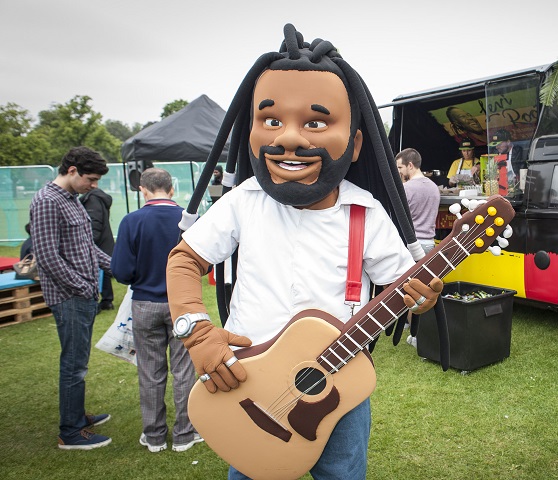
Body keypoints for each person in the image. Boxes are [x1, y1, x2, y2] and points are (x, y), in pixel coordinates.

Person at [166, 24, 443, 480]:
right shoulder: (244, 199)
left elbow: (405, 285)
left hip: (338, 382)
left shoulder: (364, 211)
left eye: (315, 123)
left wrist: (424, 295)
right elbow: (184, 259)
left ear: (354, 144)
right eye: (272, 121)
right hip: (248, 380)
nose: (291, 139)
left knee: (342, 472)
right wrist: (197, 332)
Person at [111, 168, 204, 454]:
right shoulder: (189, 220)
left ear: (143, 190)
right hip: (183, 304)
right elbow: (206, 263)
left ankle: (154, 436)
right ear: (171, 189)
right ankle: (185, 433)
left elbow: (121, 271)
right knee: (184, 370)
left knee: (150, 372)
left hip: (145, 304)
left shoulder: (131, 221)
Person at [29, 146, 112, 450]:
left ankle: (77, 416)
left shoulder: (72, 199)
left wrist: (115, 267)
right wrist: (83, 287)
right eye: (91, 179)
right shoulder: (48, 201)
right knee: (74, 365)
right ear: (72, 170)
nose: (94, 185)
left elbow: (87, 247)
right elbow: (48, 257)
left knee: (79, 361)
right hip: (70, 297)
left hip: (83, 294)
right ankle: (71, 432)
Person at [396, 148, 440, 348]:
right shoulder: (433, 187)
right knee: (424, 288)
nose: (398, 172)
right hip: (429, 242)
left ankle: (417, 336)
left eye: (400, 167)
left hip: (411, 244)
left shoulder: (406, 189)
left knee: (412, 291)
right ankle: (408, 325)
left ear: (410, 165)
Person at [80, 187, 115, 310]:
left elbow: (95, 223)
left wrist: (89, 242)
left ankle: (103, 300)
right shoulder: (96, 198)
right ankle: (106, 300)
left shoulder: (92, 200)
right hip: (103, 241)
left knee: (100, 271)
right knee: (104, 272)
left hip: (98, 242)